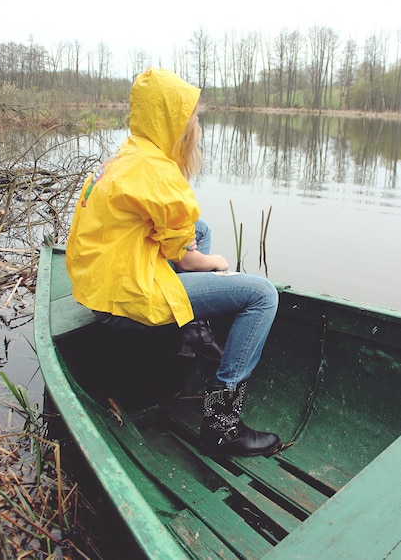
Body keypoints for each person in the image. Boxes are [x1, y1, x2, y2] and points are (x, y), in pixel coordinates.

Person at [66, 68, 281, 457]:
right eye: (193, 116)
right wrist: (218, 263)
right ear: (174, 121)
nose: (197, 124)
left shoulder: (127, 157)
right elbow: (185, 256)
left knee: (198, 225)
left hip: (99, 290)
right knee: (262, 295)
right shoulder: (158, 173)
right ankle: (222, 424)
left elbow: (178, 235)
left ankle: (191, 331)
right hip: (126, 301)